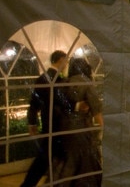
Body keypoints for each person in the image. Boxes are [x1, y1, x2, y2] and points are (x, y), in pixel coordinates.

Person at [21, 50, 71, 187]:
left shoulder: (42, 78)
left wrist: (32, 122)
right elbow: (62, 102)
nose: (67, 64)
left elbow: (33, 104)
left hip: (48, 125)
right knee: (44, 160)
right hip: (59, 126)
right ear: (61, 60)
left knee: (53, 159)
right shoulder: (57, 80)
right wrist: (77, 106)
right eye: (66, 61)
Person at [55, 57, 104, 186]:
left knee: (70, 163)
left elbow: (58, 106)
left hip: (64, 129)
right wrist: (103, 126)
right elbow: (96, 109)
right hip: (82, 130)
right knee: (87, 164)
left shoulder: (64, 83)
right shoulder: (86, 83)